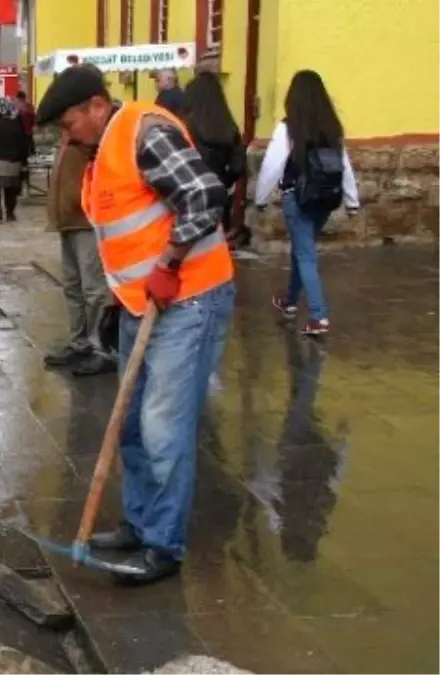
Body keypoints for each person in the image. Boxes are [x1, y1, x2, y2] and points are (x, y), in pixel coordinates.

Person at [36, 67, 235, 584]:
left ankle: (164, 547)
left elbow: (205, 195)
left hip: (189, 298)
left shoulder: (146, 132)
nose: (67, 133)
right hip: (140, 305)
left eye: (69, 121)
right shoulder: (100, 154)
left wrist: (169, 264)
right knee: (129, 423)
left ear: (97, 105)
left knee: (162, 425)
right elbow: (124, 235)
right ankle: (141, 523)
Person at [255, 69, 359, 337]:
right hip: (326, 199)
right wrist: (352, 201)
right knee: (302, 250)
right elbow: (344, 166)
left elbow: (272, 166)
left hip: (297, 197)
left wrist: (261, 199)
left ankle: (318, 316)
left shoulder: (289, 127)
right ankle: (289, 301)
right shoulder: (332, 128)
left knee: (305, 254)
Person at [42, 68, 114, 377]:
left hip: (86, 219)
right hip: (67, 219)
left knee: (94, 288)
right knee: (72, 285)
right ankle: (79, 341)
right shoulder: (70, 129)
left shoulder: (95, 131)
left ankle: (102, 348)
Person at [181, 73, 249, 248]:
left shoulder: (185, 126)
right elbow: (238, 166)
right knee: (215, 251)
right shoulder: (229, 126)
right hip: (218, 197)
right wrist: (222, 182)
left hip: (189, 199)